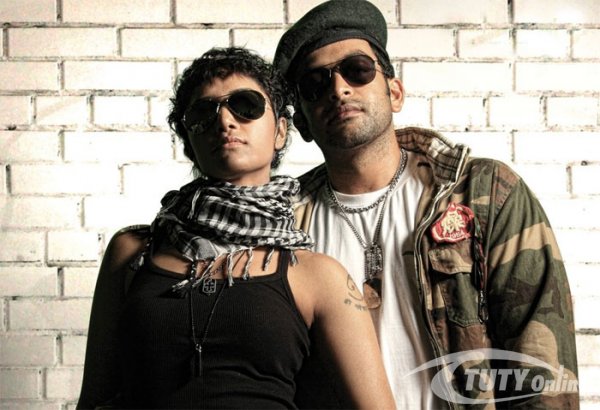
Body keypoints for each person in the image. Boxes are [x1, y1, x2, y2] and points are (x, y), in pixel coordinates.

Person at [273, 0, 579, 408]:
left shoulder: (484, 192)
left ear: (394, 92)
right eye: (316, 83)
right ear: (302, 124)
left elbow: (540, 364)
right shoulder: (281, 226)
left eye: (358, 70)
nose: (339, 89)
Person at [77, 47, 395, 409]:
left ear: (280, 131)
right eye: (204, 112)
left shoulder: (317, 275)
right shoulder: (133, 251)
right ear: (189, 139)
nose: (225, 121)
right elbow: (94, 400)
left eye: (246, 106)